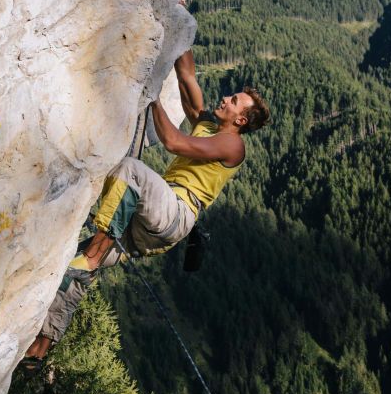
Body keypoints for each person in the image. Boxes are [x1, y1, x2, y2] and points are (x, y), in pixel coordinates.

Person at [23, 48, 271, 364]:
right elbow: (187, 77)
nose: (225, 98)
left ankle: (93, 256)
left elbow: (174, 143)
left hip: (175, 212)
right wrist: (180, 30)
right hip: (153, 218)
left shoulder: (232, 144)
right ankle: (39, 349)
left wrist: (152, 96)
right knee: (71, 270)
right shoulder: (208, 123)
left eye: (234, 101)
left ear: (241, 119)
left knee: (130, 170)